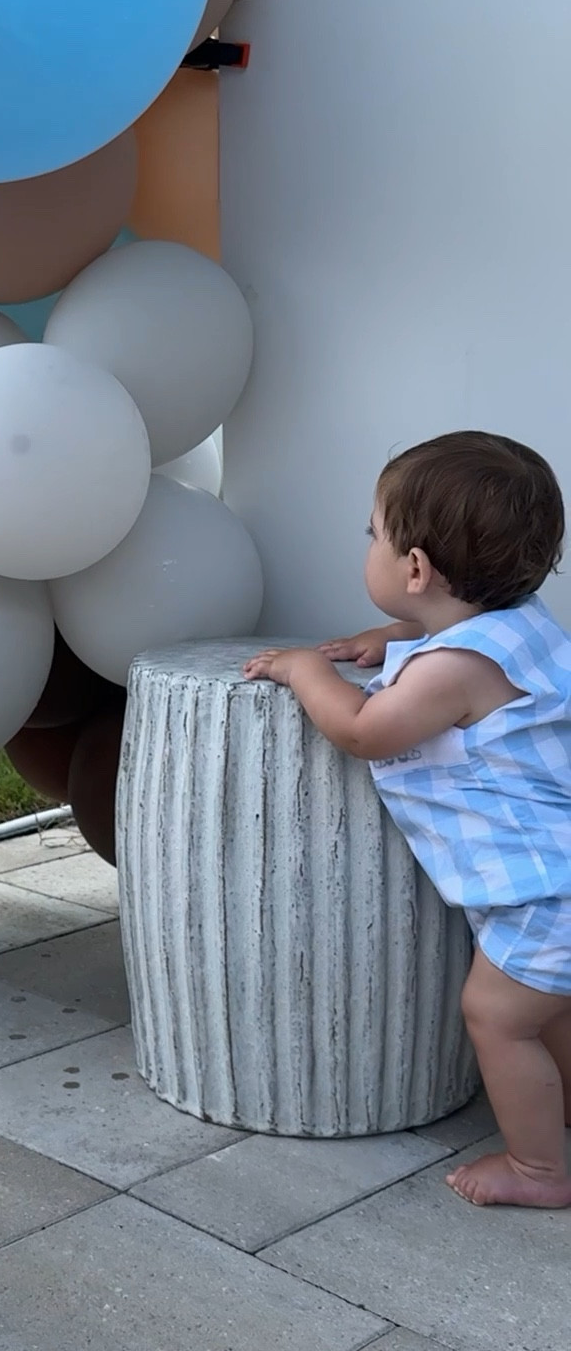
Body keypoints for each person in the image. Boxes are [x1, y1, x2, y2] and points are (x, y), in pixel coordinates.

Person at [244, 430, 571, 1210]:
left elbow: (365, 731)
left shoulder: (450, 673)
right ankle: (556, 1120)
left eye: (374, 534)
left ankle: (539, 1171)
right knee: (549, 1013)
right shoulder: (515, 623)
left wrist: (306, 668)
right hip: (555, 879)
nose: (371, 546)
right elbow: (440, 634)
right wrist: (386, 636)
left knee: (496, 1017)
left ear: (415, 568)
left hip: (542, 894)